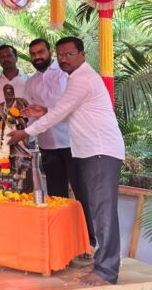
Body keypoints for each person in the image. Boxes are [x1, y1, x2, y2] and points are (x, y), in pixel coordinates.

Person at [8, 37, 124, 286]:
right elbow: (67, 111)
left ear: (82, 54)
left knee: (102, 210)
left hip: (101, 150)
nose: (63, 59)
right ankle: (102, 263)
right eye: (61, 55)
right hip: (91, 151)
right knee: (98, 208)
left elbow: (61, 111)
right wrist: (44, 111)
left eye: (69, 54)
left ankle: (107, 271)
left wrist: (25, 132)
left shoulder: (82, 78)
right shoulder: (76, 78)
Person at [24, 38, 95, 251]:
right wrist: (22, 134)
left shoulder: (67, 75)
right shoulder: (31, 83)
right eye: (33, 54)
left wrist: (28, 130)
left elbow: (67, 110)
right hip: (47, 145)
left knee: (82, 194)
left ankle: (89, 241)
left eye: (41, 52)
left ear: (49, 52)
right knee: (56, 197)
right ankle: (62, 243)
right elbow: (31, 115)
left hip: (73, 143)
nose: (37, 57)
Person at [0, 44, 29, 112]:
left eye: (9, 55)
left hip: (28, 118)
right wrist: (3, 110)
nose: (6, 59)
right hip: (0, 118)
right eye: (2, 57)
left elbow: (36, 102)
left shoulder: (29, 80)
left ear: (16, 58)